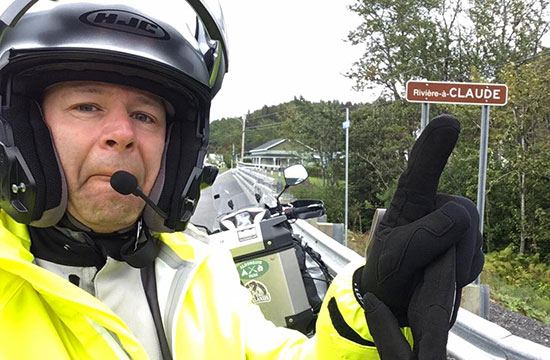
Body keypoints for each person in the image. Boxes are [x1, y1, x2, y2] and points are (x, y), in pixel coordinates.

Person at [0, 1, 484, 359]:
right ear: (25, 129)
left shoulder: (198, 269)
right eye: (88, 106)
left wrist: (368, 304)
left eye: (146, 116)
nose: (122, 135)